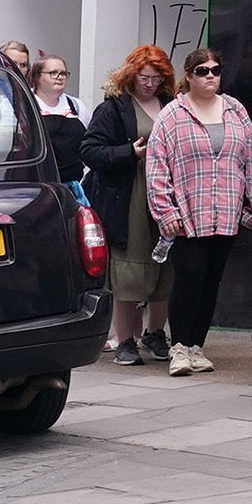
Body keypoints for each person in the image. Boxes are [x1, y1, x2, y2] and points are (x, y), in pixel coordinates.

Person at [148, 47, 252, 376]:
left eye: (215, 70)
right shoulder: (172, 114)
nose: (211, 76)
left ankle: (197, 346)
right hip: (188, 211)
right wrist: (165, 211)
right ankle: (179, 347)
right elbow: (157, 167)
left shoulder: (235, 110)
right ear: (189, 76)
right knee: (188, 278)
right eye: (203, 71)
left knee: (212, 281)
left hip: (227, 210)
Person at [84, 47, 178, 365]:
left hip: (166, 192)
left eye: (156, 78)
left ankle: (155, 333)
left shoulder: (172, 104)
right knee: (128, 268)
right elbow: (91, 151)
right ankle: (125, 340)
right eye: (143, 77)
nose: (150, 84)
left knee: (166, 267)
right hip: (131, 196)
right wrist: (130, 153)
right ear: (130, 75)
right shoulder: (113, 109)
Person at [33, 56, 86, 182]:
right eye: (53, 73)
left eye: (63, 73)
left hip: (72, 185)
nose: (60, 77)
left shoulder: (76, 105)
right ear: (37, 77)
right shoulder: (25, 105)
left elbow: (90, 143)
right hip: (39, 183)